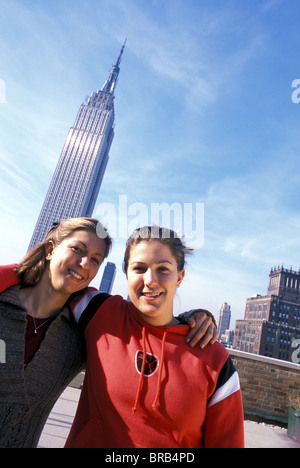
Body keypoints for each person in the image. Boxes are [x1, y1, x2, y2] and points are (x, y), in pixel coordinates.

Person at [0, 219, 217, 448]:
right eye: (77, 249)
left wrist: (194, 318)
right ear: (50, 250)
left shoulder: (83, 331)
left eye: (95, 259)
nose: (84, 263)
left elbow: (143, 323)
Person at [65, 226, 244, 448]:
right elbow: (45, 280)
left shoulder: (215, 360)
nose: (150, 280)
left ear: (180, 277)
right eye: (139, 268)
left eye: (163, 269)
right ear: (127, 274)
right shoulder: (98, 312)